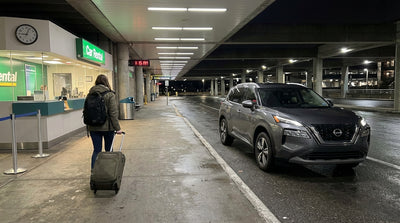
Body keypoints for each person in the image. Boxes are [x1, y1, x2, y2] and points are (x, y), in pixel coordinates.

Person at [85, 74, 123, 169]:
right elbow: (113, 113)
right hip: (107, 127)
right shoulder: (109, 94)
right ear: (106, 82)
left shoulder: (90, 94)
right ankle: (108, 172)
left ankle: (94, 173)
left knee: (97, 150)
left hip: (93, 127)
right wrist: (117, 128)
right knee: (108, 150)